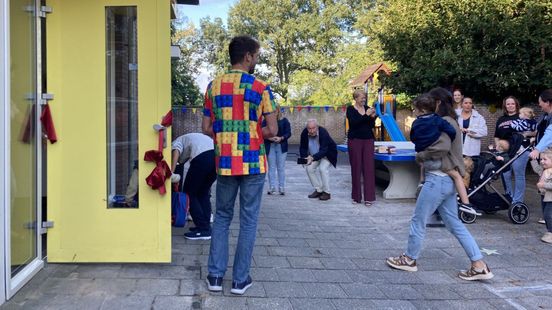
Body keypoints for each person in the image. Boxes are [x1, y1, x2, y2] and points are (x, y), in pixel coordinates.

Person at [386, 87, 494, 281]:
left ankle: (409, 259)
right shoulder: (451, 121)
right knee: (454, 224)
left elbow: (441, 148)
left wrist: (421, 155)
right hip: (446, 181)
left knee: (418, 219)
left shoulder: (444, 122)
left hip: (438, 179)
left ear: (437, 103)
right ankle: (478, 265)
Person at [202, 35, 277, 295]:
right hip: (253, 163)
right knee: (248, 220)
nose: (256, 60)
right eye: (256, 56)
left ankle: (214, 276)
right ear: (247, 57)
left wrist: (226, 135)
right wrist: (251, 134)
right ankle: (239, 280)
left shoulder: (213, 86)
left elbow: (206, 128)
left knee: (221, 217)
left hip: (225, 163)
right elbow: (273, 128)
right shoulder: (260, 87)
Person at [411, 94, 479, 216]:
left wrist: (421, 148)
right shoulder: (439, 120)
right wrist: (452, 136)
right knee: (458, 176)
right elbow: (450, 134)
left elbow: (413, 137)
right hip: (437, 162)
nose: (414, 112)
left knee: (423, 166)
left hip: (426, 158)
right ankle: (466, 203)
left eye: (415, 110)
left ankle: (422, 183)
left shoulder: (416, 123)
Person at [170, 133, 216, 240]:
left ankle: (202, 229)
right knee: (202, 193)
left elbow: (176, 151)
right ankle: (206, 227)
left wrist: (171, 172)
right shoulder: (190, 137)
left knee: (189, 193)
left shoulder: (176, 141)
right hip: (216, 157)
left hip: (201, 158)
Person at [495, 96, 529, 205]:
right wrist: (497, 146)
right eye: (508, 104)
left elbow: (532, 131)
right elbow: (497, 135)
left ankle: (518, 201)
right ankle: (509, 197)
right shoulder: (501, 119)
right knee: (505, 174)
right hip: (504, 150)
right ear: (505, 106)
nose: (510, 106)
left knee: (518, 174)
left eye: (512, 104)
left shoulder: (521, 116)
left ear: (516, 105)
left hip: (519, 149)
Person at [346, 89, 377, 206]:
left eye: (365, 97)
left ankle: (369, 198)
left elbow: (370, 125)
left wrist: (372, 117)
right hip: (355, 140)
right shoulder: (350, 110)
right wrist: (366, 115)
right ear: (355, 98)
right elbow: (354, 124)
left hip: (368, 139)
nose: (364, 99)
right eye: (361, 97)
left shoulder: (368, 108)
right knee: (356, 168)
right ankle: (356, 197)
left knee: (369, 168)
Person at [299, 119, 337, 201]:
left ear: (317, 127)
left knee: (322, 169)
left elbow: (324, 150)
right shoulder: (304, 133)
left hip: (327, 154)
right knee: (309, 169)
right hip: (314, 155)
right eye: (309, 128)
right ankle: (319, 190)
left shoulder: (323, 132)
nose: (311, 131)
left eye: (313, 128)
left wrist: (312, 158)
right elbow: (303, 147)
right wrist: (304, 158)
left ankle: (327, 193)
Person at [530, 89, 552, 225]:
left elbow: (550, 133)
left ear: (548, 102)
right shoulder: (546, 116)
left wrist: (538, 149)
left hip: (549, 154)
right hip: (547, 153)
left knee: (547, 184)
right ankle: (547, 216)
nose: (539, 105)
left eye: (540, 102)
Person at [264, 108, 291, 195]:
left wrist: (281, 138)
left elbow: (288, 133)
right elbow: (261, 132)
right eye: (271, 112)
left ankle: (281, 187)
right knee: (271, 168)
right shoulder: (265, 121)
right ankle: (272, 187)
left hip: (281, 145)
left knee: (281, 168)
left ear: (278, 111)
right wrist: (269, 138)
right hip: (270, 145)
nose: (273, 113)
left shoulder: (284, 120)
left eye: (274, 111)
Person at [535, 149, 552, 243]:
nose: (542, 161)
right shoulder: (544, 170)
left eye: (545, 159)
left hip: (551, 197)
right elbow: (536, 169)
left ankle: (551, 232)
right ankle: (550, 231)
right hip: (544, 195)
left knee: (548, 215)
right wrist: (533, 160)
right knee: (545, 214)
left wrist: (543, 185)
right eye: (541, 159)